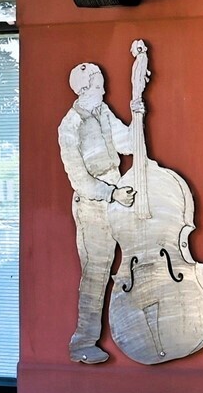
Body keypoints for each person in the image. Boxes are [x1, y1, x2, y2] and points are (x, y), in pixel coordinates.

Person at [57, 62, 142, 364]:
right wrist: (111, 193)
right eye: (97, 86)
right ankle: (83, 343)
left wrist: (137, 111)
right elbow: (79, 179)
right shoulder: (70, 127)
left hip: (119, 194)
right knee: (96, 273)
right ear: (82, 90)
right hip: (94, 203)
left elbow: (126, 143)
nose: (104, 90)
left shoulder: (103, 111)